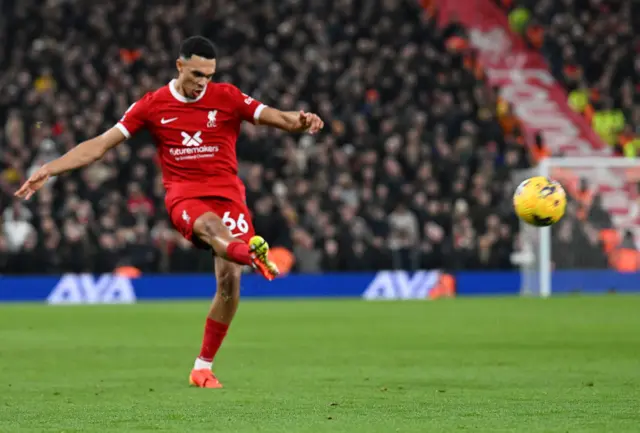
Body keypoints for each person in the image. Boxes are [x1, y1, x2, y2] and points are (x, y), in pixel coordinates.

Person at [14, 36, 324, 388]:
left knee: (229, 283)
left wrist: (300, 122)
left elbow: (275, 117)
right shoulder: (152, 105)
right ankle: (249, 252)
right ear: (179, 66)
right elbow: (100, 145)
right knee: (212, 229)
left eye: (208, 75)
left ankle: (202, 367)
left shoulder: (227, 97)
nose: (201, 82)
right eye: (195, 74)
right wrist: (50, 168)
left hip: (228, 196)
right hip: (185, 197)